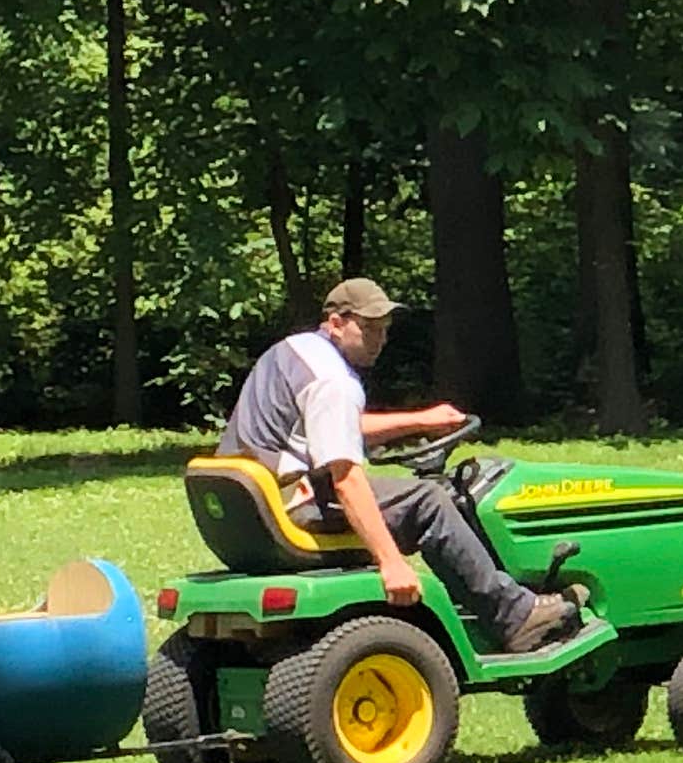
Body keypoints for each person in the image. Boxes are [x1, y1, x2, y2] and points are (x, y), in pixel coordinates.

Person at [218, 278, 574, 652]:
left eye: (384, 331)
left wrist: (422, 420)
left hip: (253, 508)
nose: (379, 340)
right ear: (336, 322)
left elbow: (333, 427)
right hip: (295, 505)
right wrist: (391, 562)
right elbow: (346, 480)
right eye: (368, 329)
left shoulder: (292, 352)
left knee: (422, 496)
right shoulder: (333, 381)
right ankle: (514, 614)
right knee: (430, 501)